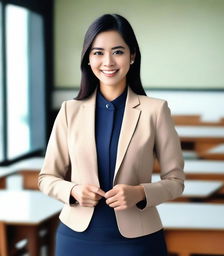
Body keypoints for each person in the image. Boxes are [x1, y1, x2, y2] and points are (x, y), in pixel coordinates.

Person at [38, 13, 185, 256]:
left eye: (118, 51)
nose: (108, 61)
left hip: (138, 240)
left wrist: (140, 193)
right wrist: (73, 191)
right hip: (76, 238)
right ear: (87, 59)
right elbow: (47, 178)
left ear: (132, 56)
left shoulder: (155, 110)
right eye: (98, 52)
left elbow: (175, 181)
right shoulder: (69, 111)